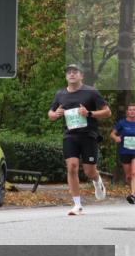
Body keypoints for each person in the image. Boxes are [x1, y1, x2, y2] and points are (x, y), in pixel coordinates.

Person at [48, 63, 111, 215]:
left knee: (89, 171)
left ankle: (97, 181)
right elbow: (50, 113)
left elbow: (107, 112)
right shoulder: (60, 94)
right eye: (69, 72)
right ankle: (77, 205)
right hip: (70, 135)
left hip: (88, 135)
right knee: (72, 166)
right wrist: (55, 114)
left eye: (75, 72)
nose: (72, 74)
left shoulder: (91, 92)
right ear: (66, 76)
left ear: (81, 75)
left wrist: (89, 113)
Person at [109, 102, 135, 205]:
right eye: (130, 110)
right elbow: (112, 134)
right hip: (124, 151)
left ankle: (133, 194)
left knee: (134, 173)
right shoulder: (122, 123)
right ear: (127, 112)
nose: (132, 111)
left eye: (134, 110)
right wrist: (116, 138)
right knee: (128, 176)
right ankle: (133, 191)